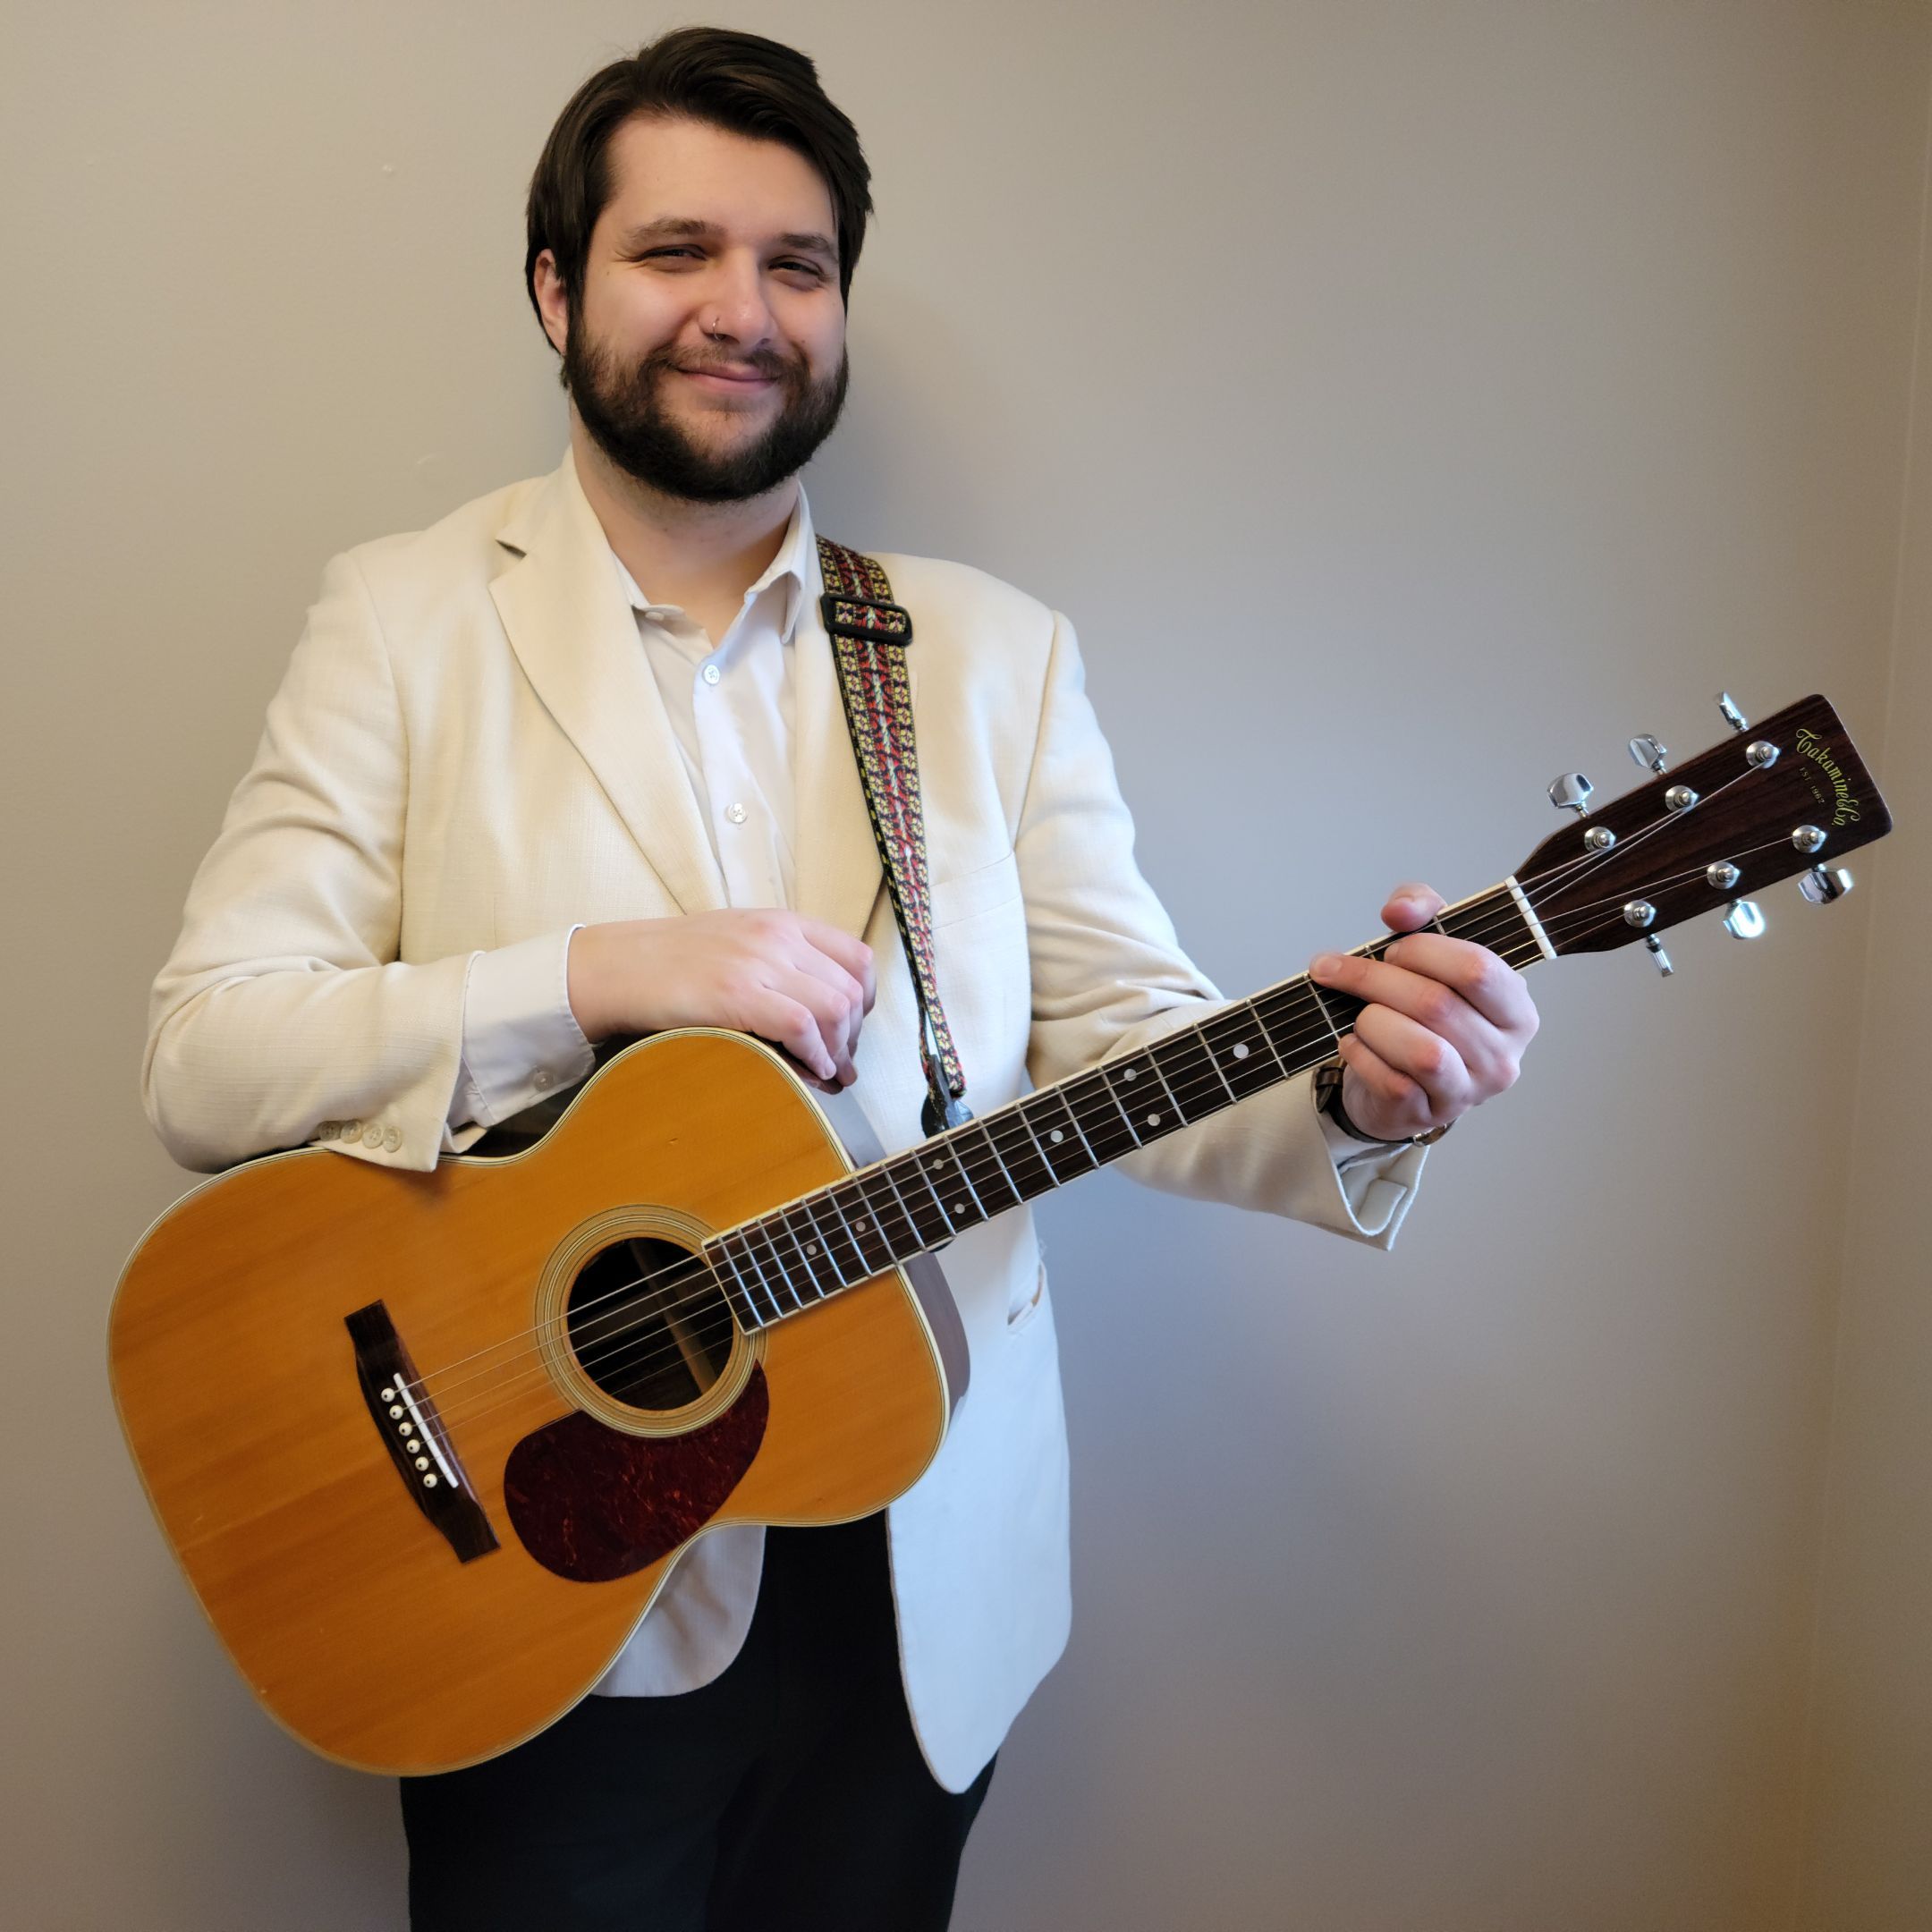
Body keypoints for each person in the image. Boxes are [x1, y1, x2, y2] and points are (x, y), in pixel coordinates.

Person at [141, 27, 1538, 1931]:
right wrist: (602, 975)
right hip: (535, 1583)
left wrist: (1356, 1099)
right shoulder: (403, 622)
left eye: (797, 266)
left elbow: (1125, 1041)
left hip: (915, 1586)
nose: (744, 310)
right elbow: (211, 1060)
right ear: (557, 289)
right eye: (677, 252)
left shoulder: (985, 654)